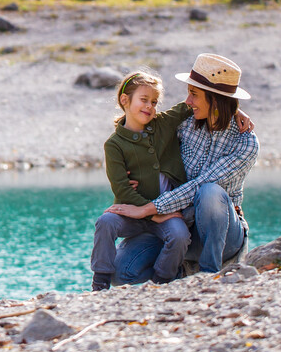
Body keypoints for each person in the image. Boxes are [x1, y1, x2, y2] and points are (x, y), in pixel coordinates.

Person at [102, 53, 259, 285]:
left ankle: (208, 275)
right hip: (178, 224)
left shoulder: (245, 143)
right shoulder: (184, 126)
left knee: (209, 191)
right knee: (122, 273)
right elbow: (140, 134)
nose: (188, 101)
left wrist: (149, 209)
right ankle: (178, 278)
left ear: (215, 99)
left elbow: (200, 185)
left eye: (194, 94)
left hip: (224, 235)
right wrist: (133, 172)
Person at [89, 71, 194, 289]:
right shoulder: (114, 145)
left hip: (167, 211)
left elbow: (191, 105)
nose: (150, 107)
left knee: (180, 236)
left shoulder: (163, 124)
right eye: (144, 100)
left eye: (154, 102)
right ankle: (99, 284)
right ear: (125, 100)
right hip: (134, 214)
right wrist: (152, 214)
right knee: (105, 222)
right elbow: (122, 190)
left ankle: (160, 281)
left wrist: (236, 110)